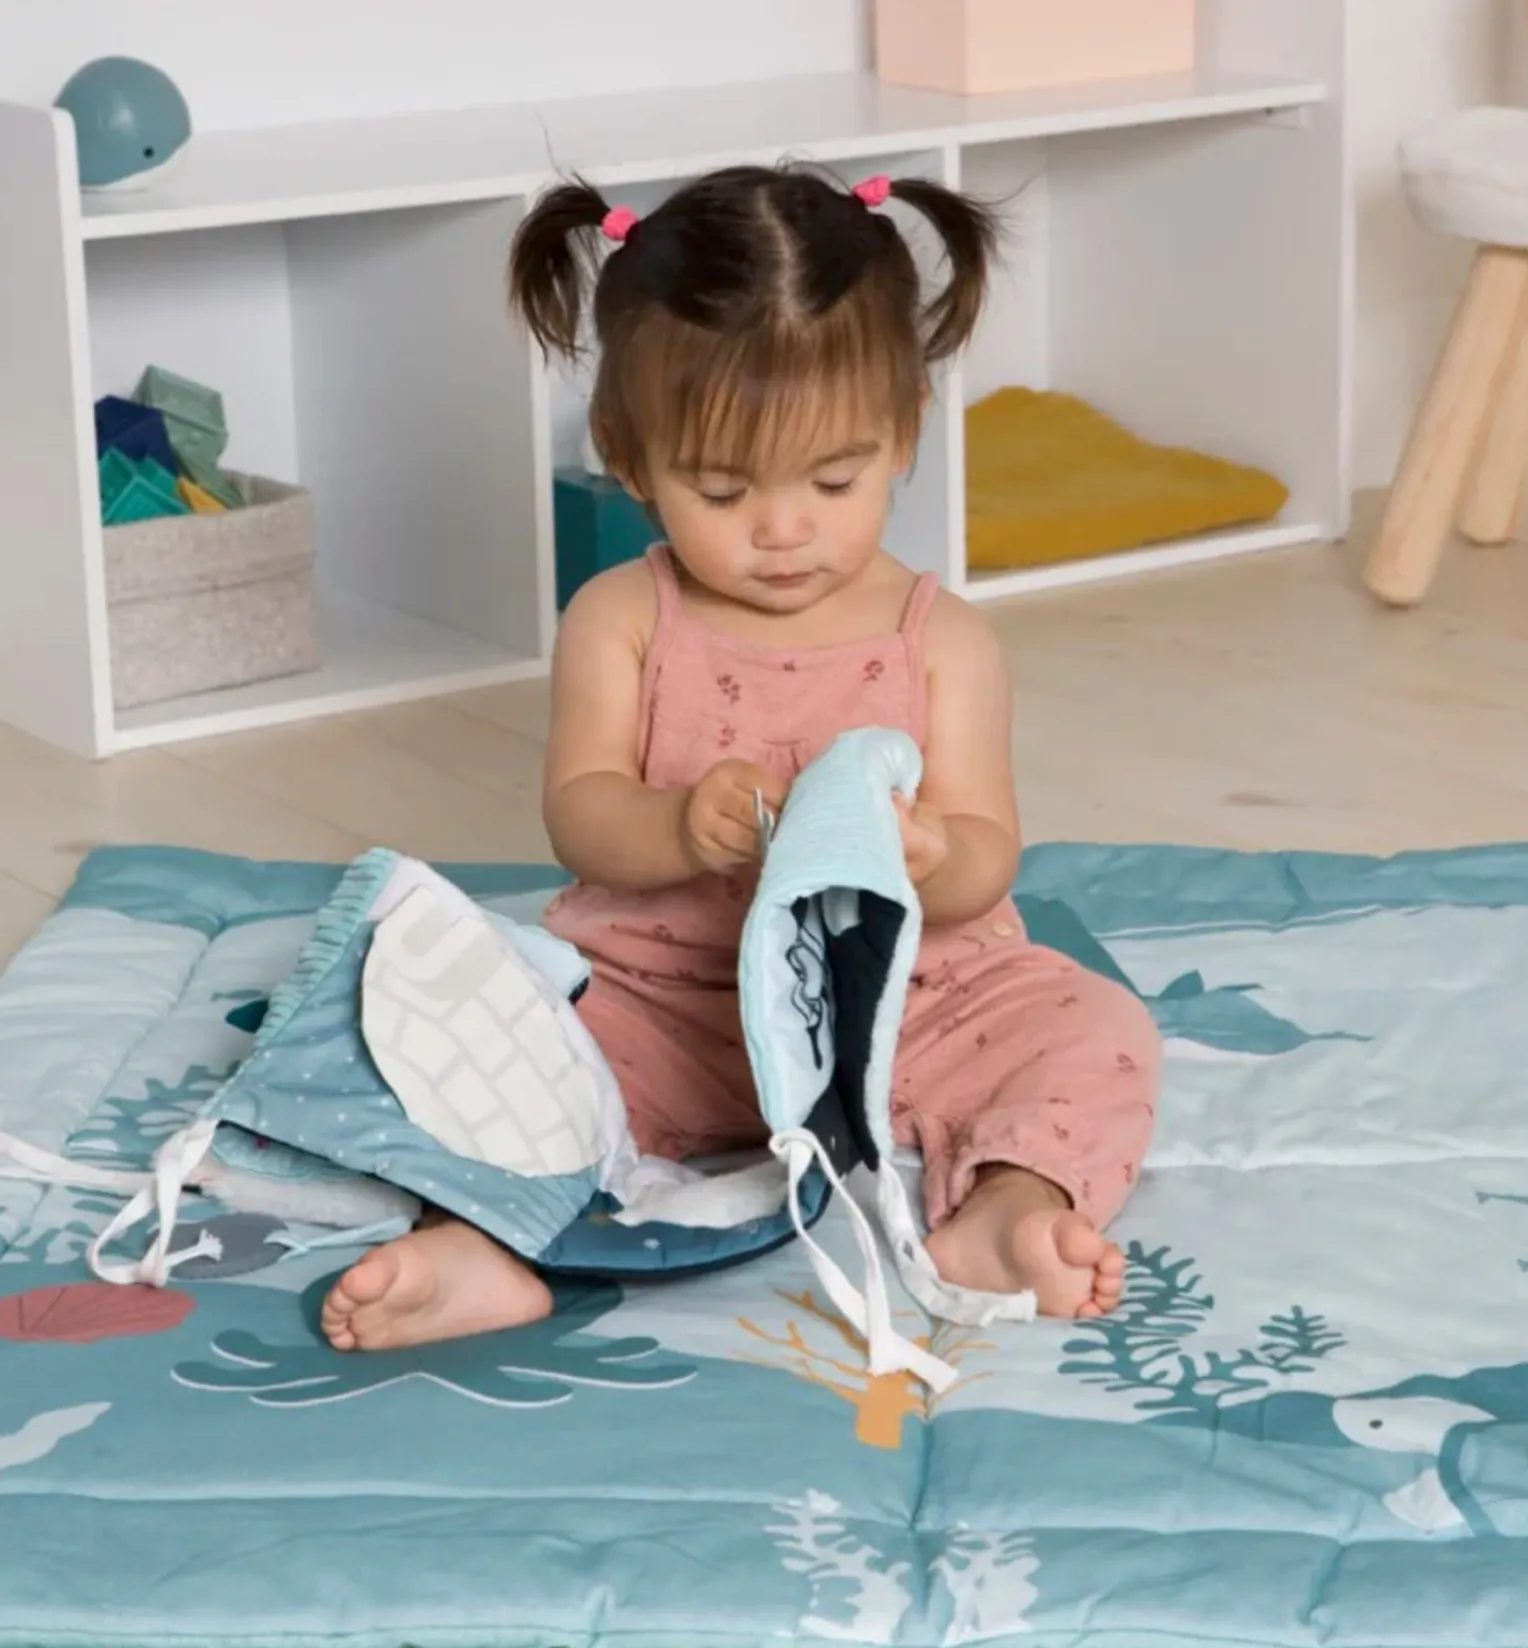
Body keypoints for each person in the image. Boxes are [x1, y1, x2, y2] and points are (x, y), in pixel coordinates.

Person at [321, 165, 1161, 1354]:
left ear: (904, 433)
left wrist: (930, 853)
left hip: (918, 1006)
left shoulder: (943, 640)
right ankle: (485, 1244)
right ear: (629, 457)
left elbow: (987, 853)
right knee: (475, 1047)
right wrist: (673, 827)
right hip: (666, 1008)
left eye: (834, 479)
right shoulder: (623, 618)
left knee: (1095, 1025)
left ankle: (1009, 1207)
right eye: (721, 489)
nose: (783, 528)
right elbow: (580, 811)